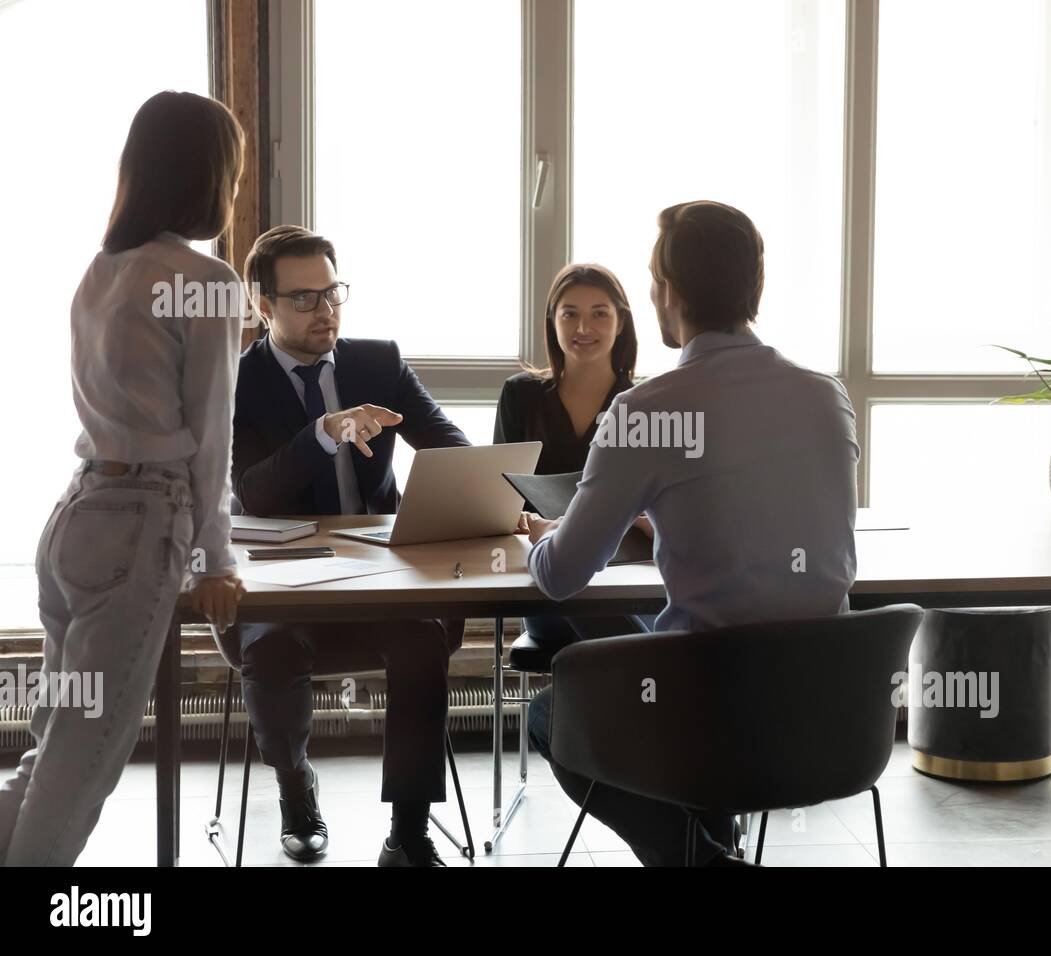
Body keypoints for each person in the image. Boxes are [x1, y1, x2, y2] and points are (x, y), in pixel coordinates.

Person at [522, 201, 859, 866]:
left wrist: (542, 535)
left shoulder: (646, 408)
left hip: (710, 704)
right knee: (668, 650)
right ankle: (710, 847)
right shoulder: (828, 395)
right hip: (831, 707)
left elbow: (561, 575)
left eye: (652, 280)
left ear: (669, 292)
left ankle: (700, 860)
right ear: (753, 284)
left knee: (549, 713)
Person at [0, 91, 247, 866]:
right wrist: (218, 562)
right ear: (211, 175)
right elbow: (210, 441)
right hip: (141, 523)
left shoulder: (100, 270)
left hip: (74, 516)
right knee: (84, 763)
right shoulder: (206, 279)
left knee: (54, 740)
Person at [232, 224, 469, 866]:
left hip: (379, 580)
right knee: (274, 649)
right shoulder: (237, 381)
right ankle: (296, 790)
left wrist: (499, 497)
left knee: (422, 638)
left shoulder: (378, 362)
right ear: (263, 304)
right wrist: (323, 433)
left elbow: (450, 447)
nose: (326, 310)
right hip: (282, 582)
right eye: (304, 298)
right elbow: (252, 493)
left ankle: (409, 832)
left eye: (333, 291)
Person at [494, 263, 649, 651]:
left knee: (619, 629)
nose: (584, 328)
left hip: (625, 577)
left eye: (599, 313)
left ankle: (631, 681)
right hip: (548, 579)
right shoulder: (520, 396)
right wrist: (530, 524)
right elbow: (499, 500)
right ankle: (646, 677)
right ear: (552, 321)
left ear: (621, 322)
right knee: (581, 601)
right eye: (570, 314)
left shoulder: (646, 406)